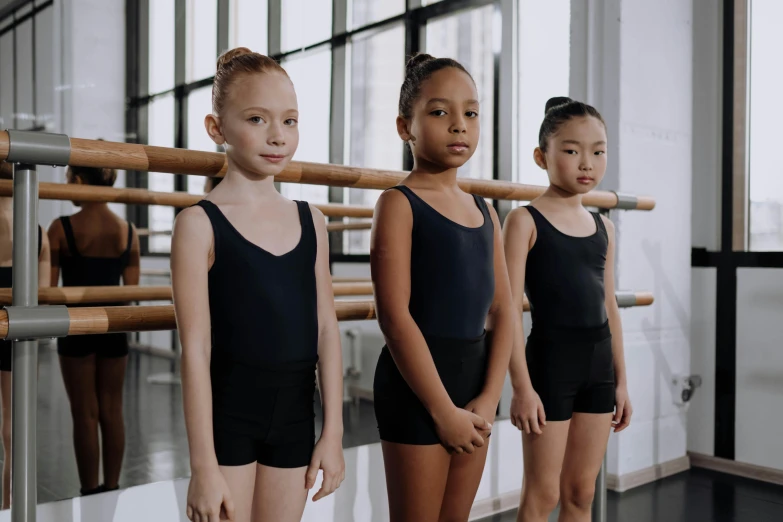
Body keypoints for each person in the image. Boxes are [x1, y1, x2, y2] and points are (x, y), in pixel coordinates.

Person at [172, 47, 345, 522]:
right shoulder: (198, 225)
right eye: (257, 119)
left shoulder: (311, 219)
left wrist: (333, 433)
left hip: (294, 415)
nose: (277, 136)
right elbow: (195, 348)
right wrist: (202, 465)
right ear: (217, 129)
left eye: (289, 121)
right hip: (228, 419)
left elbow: (327, 330)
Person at [370, 53, 514, 522]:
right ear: (404, 126)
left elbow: (503, 310)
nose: (459, 126)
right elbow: (395, 316)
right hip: (417, 389)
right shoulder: (397, 204)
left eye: (470, 113)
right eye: (439, 112)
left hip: (475, 386)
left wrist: (490, 397)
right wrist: (442, 410)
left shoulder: (486, 211)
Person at [503, 97, 633, 522]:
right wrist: (521, 388)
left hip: (598, 368)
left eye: (598, 151)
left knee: (581, 492)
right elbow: (506, 309)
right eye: (572, 150)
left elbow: (609, 306)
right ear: (542, 156)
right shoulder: (524, 220)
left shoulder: (604, 227)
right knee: (542, 495)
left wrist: (622, 381)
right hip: (549, 368)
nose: (587, 163)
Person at [47, 164, 140, 496]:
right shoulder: (127, 231)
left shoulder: (60, 229)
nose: (65, 183)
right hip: (114, 326)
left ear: (81, 181)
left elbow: (48, 290)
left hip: (75, 327)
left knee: (84, 413)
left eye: (69, 177)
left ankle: (89, 492)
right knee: (113, 411)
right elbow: (130, 293)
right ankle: (112, 489)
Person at [0, 162, 50, 508]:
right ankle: (10, 505)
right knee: (13, 429)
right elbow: (43, 293)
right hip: (20, 326)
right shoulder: (37, 231)